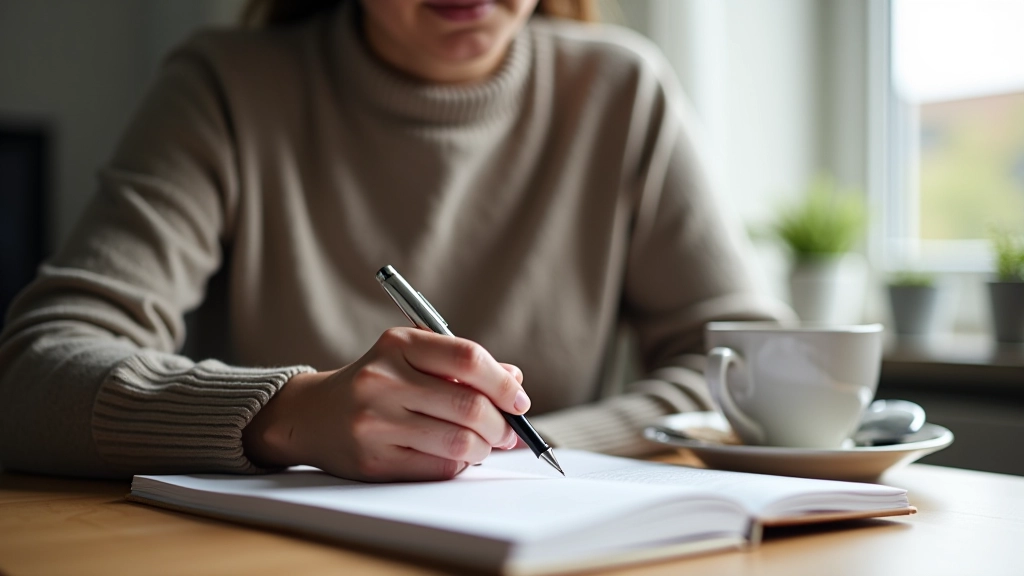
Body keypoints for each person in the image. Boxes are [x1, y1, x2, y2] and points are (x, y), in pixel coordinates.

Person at [0, 0, 789, 482]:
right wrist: (290, 414)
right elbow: (32, 375)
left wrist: (512, 447)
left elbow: (756, 367)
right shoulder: (224, 87)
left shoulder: (623, 91)